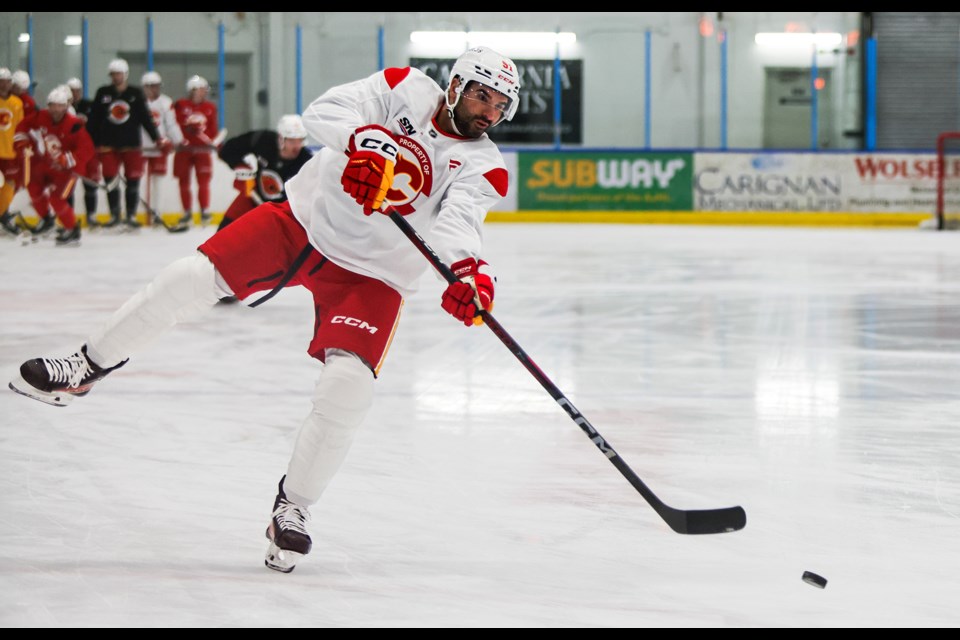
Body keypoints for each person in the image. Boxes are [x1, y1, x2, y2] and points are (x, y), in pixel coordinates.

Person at [8, 46, 519, 573]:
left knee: (349, 388)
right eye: (483, 95)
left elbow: (460, 223)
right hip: (301, 221)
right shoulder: (403, 87)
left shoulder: (484, 165)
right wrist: (363, 142)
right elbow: (325, 110)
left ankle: (292, 508)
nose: (489, 112)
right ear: (456, 86)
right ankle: (88, 365)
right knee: (189, 278)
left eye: (501, 105)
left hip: (374, 274)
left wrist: (470, 273)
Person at [86, 58, 166, 229]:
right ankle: (115, 214)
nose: (116, 77)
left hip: (131, 145)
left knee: (133, 181)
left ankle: (130, 215)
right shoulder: (103, 93)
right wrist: (90, 141)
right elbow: (94, 119)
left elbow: (146, 118)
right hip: (108, 145)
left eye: (119, 74)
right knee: (111, 180)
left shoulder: (135, 93)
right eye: (113, 74)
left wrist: (156, 137)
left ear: (125, 74)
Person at [12, 85, 95, 246]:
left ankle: (72, 230)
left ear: (66, 106)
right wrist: (22, 142)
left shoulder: (74, 124)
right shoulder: (42, 116)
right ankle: (47, 220)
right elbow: (23, 126)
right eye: (52, 105)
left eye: (60, 105)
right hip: (49, 164)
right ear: (48, 106)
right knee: (33, 185)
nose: (56, 109)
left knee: (56, 199)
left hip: (69, 171)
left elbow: (87, 150)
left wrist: (68, 160)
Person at [216, 114, 313, 232]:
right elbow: (228, 149)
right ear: (281, 138)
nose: (297, 146)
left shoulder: (307, 162)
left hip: (282, 213)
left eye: (300, 140)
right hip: (253, 198)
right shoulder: (263, 140)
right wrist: (239, 165)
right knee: (223, 234)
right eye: (292, 141)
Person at [173, 75, 219, 226]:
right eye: (199, 89)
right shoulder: (180, 105)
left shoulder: (210, 108)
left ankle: (204, 211)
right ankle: (186, 212)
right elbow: (175, 125)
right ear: (191, 90)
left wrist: (213, 140)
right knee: (183, 181)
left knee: (204, 181)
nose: (203, 92)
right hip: (184, 150)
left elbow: (212, 129)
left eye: (204, 90)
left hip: (202, 150)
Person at [140, 71, 181, 226]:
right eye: (151, 86)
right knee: (140, 181)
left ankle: (157, 212)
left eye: (157, 86)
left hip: (159, 147)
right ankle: (141, 213)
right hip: (141, 148)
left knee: (159, 182)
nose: (155, 89)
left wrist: (179, 140)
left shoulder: (165, 102)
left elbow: (171, 124)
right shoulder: (138, 102)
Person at [65, 77, 101, 225]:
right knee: (68, 186)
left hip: (89, 151)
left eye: (77, 90)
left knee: (91, 184)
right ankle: (69, 217)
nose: (74, 94)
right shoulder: (62, 108)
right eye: (71, 91)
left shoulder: (90, 106)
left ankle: (91, 215)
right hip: (71, 153)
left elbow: (98, 125)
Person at [0, 67, 25, 236]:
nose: (4, 84)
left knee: (10, 185)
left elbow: (20, 127)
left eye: (7, 81)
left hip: (10, 152)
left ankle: (3, 214)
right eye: (1, 81)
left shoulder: (17, 103)